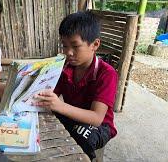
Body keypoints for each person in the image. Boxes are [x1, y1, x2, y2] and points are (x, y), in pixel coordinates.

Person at [34, 11, 118, 160]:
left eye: (75, 46)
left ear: (95, 45)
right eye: (65, 46)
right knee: (43, 118)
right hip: (72, 115)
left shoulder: (107, 73)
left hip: (99, 126)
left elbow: (97, 117)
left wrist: (59, 106)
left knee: (82, 136)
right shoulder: (65, 67)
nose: (69, 52)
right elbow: (49, 92)